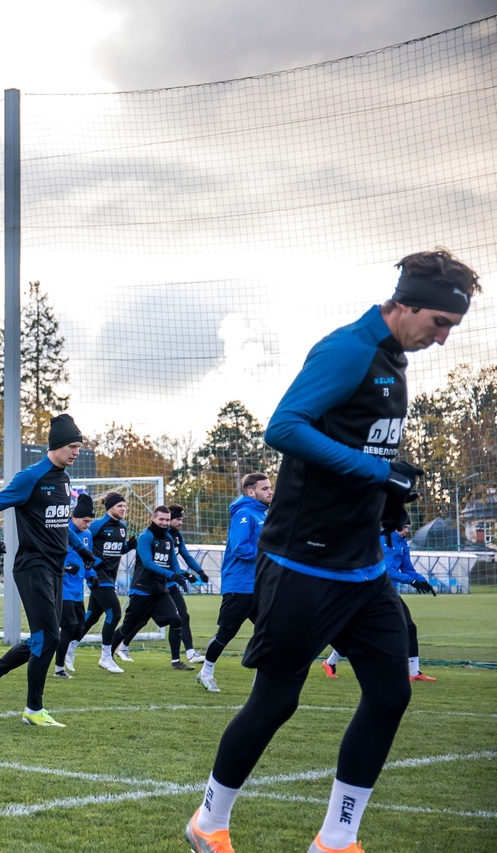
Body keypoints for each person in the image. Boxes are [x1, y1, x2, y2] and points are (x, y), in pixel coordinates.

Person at [186, 249, 480, 853]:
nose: (444, 339)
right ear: (407, 304)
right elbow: (284, 427)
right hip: (303, 565)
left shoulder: (395, 356)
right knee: (275, 703)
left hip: (364, 566)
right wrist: (374, 472)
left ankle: (337, 839)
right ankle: (209, 822)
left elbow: (360, 447)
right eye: (441, 324)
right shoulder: (347, 348)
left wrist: (389, 490)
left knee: (391, 693)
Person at [0, 414, 84, 728]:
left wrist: (82, 549)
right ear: (57, 445)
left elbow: (61, 524)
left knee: (42, 638)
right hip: (32, 566)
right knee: (49, 637)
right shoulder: (30, 477)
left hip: (56, 568)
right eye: (72, 446)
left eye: (79, 446)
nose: (76, 452)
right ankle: (34, 709)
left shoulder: (64, 478)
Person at [325, 512, 436, 683]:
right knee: (358, 630)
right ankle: (330, 662)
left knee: (410, 628)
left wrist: (422, 581)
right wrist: (412, 581)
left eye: (408, 527)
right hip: (372, 592)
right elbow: (387, 569)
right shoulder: (383, 540)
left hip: (390, 593)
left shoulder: (401, 543)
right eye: (404, 527)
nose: (407, 530)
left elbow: (407, 568)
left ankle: (415, 672)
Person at [195, 473, 272, 693]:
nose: (270, 491)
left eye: (270, 487)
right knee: (226, 633)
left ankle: (261, 683)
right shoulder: (245, 514)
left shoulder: (263, 515)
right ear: (251, 492)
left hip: (260, 586)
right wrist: (268, 553)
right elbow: (240, 548)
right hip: (239, 585)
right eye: (265, 488)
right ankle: (206, 673)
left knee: (269, 632)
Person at [110, 506, 196, 670]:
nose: (164, 523)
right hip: (142, 590)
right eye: (161, 519)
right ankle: (107, 655)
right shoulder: (145, 537)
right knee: (128, 626)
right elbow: (148, 564)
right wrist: (171, 575)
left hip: (160, 591)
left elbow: (174, 565)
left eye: (166, 520)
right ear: (153, 519)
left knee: (176, 619)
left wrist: (184, 575)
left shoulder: (169, 540)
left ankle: (176, 662)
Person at [83, 492, 134, 673]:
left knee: (91, 616)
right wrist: (95, 562)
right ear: (110, 507)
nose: (123, 509)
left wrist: (130, 547)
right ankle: (106, 657)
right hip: (97, 576)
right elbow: (84, 546)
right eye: (120, 506)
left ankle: (66, 648)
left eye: (125, 506)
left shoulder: (122, 526)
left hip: (110, 577)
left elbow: (117, 550)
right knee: (114, 613)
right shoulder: (97, 525)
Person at [54, 493, 99, 678]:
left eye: (90, 521)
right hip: (62, 588)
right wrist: (64, 568)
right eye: (85, 520)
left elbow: (87, 560)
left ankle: (55, 651)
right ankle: (59, 668)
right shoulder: (61, 531)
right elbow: (49, 557)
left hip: (78, 590)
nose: (87, 524)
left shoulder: (87, 534)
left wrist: (92, 575)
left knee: (79, 628)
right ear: (73, 517)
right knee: (69, 626)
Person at [167, 504, 210, 667]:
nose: (181, 522)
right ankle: (120, 646)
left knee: (182, 616)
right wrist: (186, 574)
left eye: (181, 519)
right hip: (155, 585)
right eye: (178, 519)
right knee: (138, 620)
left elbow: (185, 556)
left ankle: (189, 654)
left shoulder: (177, 536)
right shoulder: (161, 536)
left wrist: (200, 571)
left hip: (171, 583)